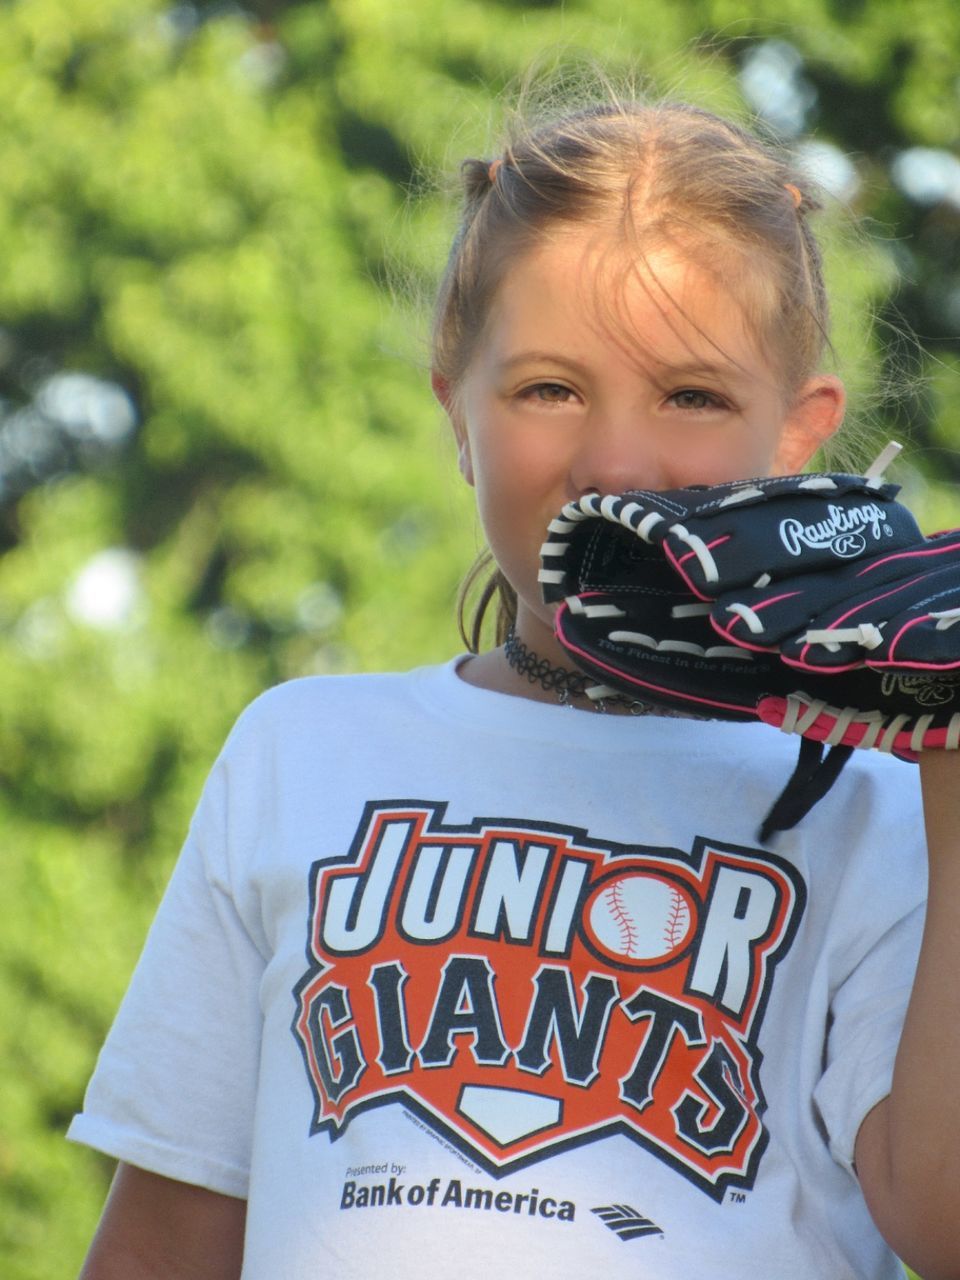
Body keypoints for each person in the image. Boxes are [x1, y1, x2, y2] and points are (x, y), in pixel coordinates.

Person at [69, 91, 960, 1280]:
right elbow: (162, 1242)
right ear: (456, 406)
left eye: (691, 394)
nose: (616, 461)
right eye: (550, 388)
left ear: (798, 433)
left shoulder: (880, 806)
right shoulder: (303, 747)